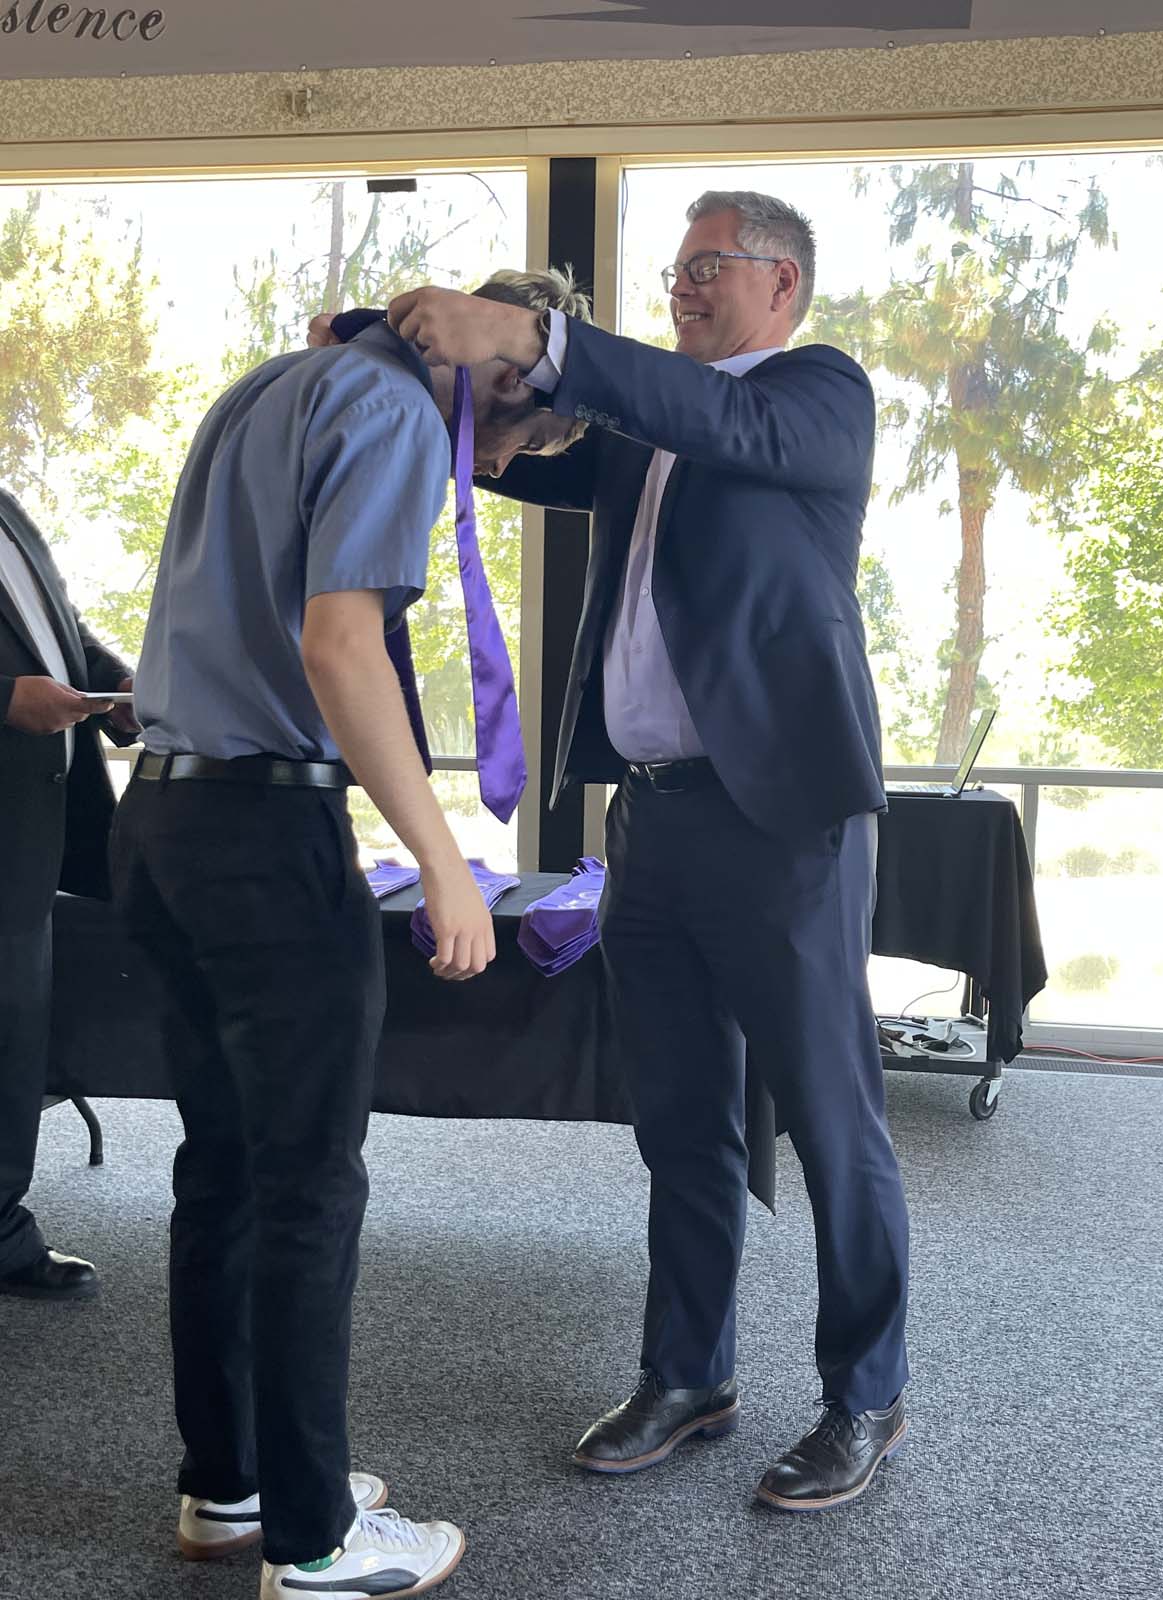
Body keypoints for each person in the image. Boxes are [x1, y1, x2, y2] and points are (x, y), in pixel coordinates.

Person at [372, 191, 911, 1513]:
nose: (680, 285)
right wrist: (428, 370)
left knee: (832, 1120)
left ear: (782, 285)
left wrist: (539, 332)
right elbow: (517, 458)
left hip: (781, 818)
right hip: (655, 821)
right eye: (673, 268)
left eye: (706, 267)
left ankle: (865, 1394)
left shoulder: (814, 395)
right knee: (679, 1117)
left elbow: (711, 416)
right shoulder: (648, 423)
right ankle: (690, 1375)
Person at [109, 267, 589, 1600]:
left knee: (223, 1172)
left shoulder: (270, 386)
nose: (481, 472)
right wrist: (441, 859)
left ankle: (233, 1484)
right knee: (309, 1185)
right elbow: (339, 645)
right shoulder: (386, 411)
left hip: (160, 818)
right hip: (267, 841)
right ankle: (316, 1540)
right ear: (501, 377)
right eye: (504, 445)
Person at [0, 486, 138, 1303]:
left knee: (15, 1040)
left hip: (28, 834)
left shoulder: (9, 507)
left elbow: (55, 626)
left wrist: (112, 681)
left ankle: (4, 1233)